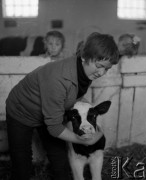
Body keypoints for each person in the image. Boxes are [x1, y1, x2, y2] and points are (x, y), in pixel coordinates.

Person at [6, 32, 120, 180]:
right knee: (22, 163)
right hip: (21, 111)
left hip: (49, 110)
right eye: (99, 66)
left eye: (106, 69)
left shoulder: (85, 71)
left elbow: (72, 95)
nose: (102, 73)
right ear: (85, 56)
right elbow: (54, 127)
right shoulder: (59, 78)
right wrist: (86, 140)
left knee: (59, 157)